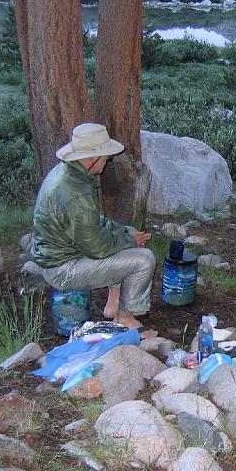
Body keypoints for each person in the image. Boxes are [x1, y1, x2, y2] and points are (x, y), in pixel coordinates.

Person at [31, 123, 156, 329]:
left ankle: (114, 304)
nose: (107, 160)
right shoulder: (75, 192)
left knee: (129, 234)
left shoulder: (72, 174)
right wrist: (127, 240)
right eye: (106, 156)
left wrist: (126, 233)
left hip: (68, 251)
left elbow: (95, 222)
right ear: (92, 157)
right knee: (144, 260)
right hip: (63, 268)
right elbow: (98, 248)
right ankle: (124, 319)